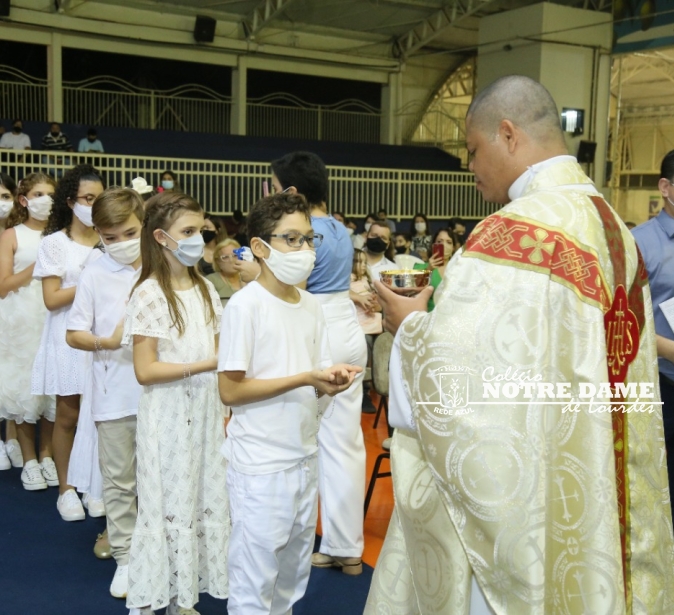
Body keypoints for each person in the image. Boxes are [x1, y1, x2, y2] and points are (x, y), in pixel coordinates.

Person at [366, 75, 674, 614]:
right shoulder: (612, 228)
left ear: (508, 134)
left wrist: (409, 326)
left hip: (528, 499)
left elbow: (464, 392)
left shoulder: (512, 236)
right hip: (590, 465)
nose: (470, 165)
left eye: (473, 149)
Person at [218, 192, 361, 615]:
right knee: (254, 576)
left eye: (308, 240)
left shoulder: (312, 306)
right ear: (260, 248)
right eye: (292, 239)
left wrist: (326, 382)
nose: (304, 250)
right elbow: (231, 391)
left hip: (303, 455)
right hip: (260, 463)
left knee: (293, 574)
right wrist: (303, 378)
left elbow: (311, 380)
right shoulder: (246, 306)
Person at [124, 192, 229, 615]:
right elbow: (145, 370)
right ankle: (163, 596)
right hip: (167, 413)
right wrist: (206, 364)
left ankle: (186, 594)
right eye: (188, 232)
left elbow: (222, 356)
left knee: (202, 493)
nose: (198, 238)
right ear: (163, 238)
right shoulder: (148, 293)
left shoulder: (206, 287)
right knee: (170, 499)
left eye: (201, 230)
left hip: (205, 410)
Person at [271, 151, 368, 574]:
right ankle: (347, 547)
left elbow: (295, 288)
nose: (270, 197)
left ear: (292, 192)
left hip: (318, 327)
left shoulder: (304, 233)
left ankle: (290, 537)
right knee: (345, 443)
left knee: (303, 439)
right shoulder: (343, 231)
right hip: (347, 328)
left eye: (274, 189)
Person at [65, 187, 144, 600]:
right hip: (113, 393)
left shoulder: (164, 265)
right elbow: (74, 333)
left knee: (159, 478)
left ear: (144, 224)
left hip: (163, 389)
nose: (120, 245)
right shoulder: (95, 271)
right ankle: (127, 557)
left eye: (129, 233)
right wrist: (107, 342)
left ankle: (161, 551)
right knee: (118, 480)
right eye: (109, 237)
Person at [31, 164, 105, 522]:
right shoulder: (55, 244)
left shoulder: (112, 242)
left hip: (103, 338)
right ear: (70, 201)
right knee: (68, 414)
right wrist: (92, 279)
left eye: (98, 198)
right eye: (87, 198)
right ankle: (66, 489)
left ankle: (94, 484)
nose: (93, 205)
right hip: (67, 338)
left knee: (101, 415)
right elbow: (52, 299)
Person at [0, 173, 57, 490]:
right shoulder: (12, 235)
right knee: (24, 389)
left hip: (53, 315)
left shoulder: (61, 235)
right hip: (21, 319)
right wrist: (37, 267)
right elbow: (3, 285)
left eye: (50, 193)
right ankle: (29, 459)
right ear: (24, 200)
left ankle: (47, 454)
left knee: (51, 389)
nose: (45, 199)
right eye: (38, 193)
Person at [633, 149, 674, 524]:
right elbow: (624, 319)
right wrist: (666, 349)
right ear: (666, 187)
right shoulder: (640, 243)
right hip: (660, 381)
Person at [424, 227, 459, 311]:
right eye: (439, 241)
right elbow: (415, 294)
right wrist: (428, 270)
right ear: (433, 246)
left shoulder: (459, 268)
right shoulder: (421, 268)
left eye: (449, 242)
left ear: (453, 248)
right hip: (429, 316)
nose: (444, 245)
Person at [206, 238, 245, 307]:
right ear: (218, 261)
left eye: (235, 255)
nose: (231, 260)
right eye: (225, 257)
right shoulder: (211, 281)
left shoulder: (249, 277)